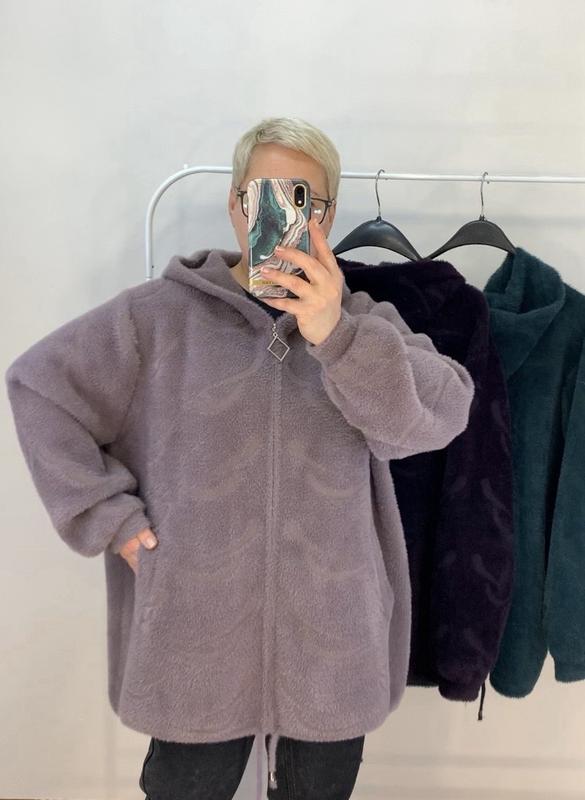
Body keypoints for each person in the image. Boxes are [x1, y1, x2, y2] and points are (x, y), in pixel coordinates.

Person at [5, 116, 475, 800]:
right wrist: (109, 518)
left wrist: (335, 336)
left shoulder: (364, 325)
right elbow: (41, 387)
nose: (279, 216)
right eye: (262, 196)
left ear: (325, 216)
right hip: (194, 635)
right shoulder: (156, 320)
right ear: (234, 203)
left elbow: (443, 412)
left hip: (333, 640)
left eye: (302, 200)